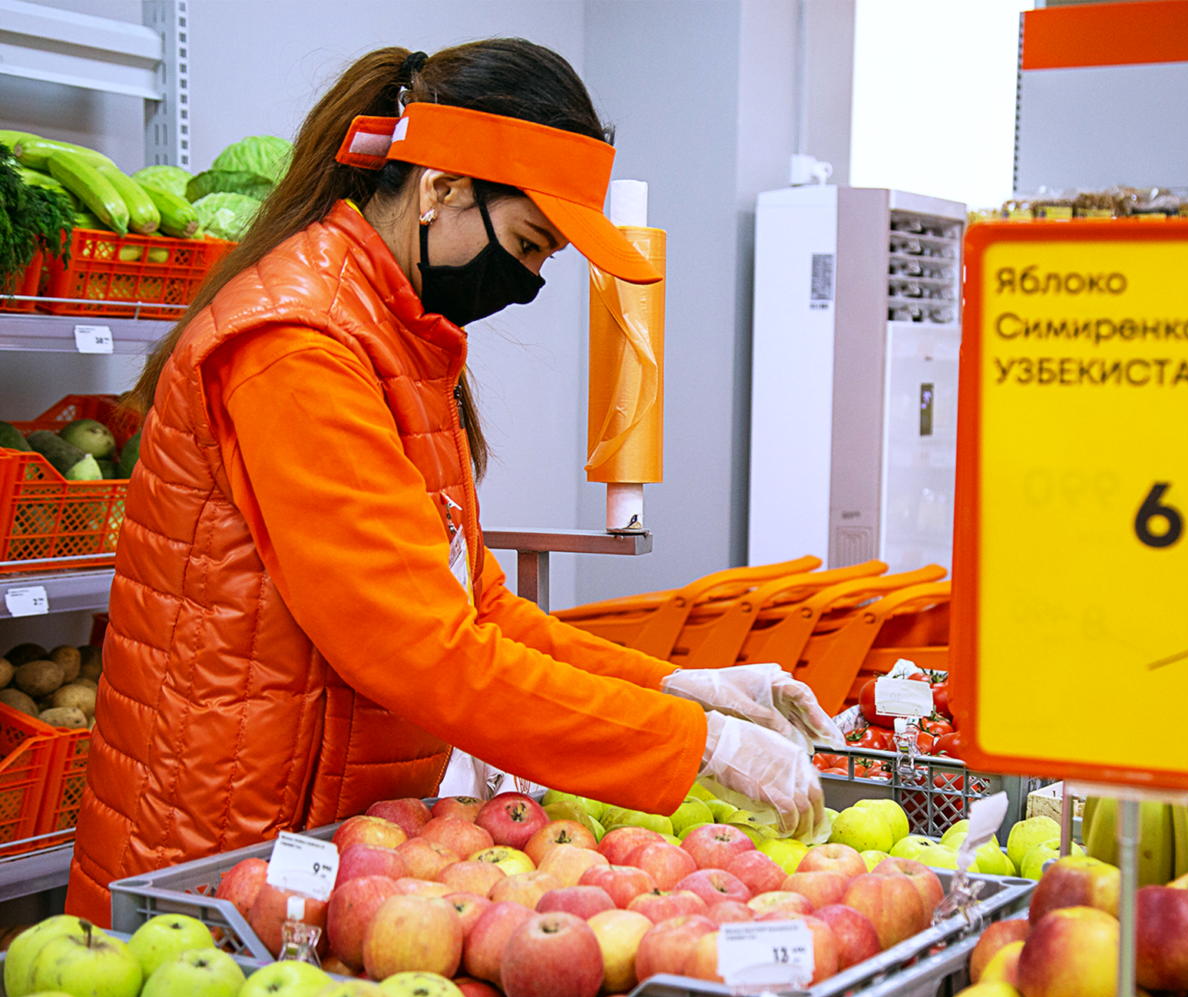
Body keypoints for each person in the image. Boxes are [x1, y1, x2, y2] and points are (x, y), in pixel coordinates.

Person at [66, 40, 836, 925]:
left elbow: (477, 611)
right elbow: (426, 652)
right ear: (440, 189)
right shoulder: (298, 351)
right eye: (528, 244)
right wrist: (692, 745)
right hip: (220, 861)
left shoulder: (399, 342)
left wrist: (677, 690)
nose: (534, 280)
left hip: (330, 847)